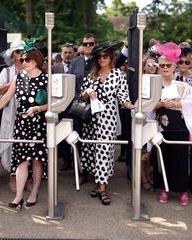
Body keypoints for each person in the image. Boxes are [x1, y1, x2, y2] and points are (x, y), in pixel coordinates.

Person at [0, 39, 48, 210]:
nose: (23, 62)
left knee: (36, 160)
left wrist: (37, 108)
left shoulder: (46, 78)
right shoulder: (18, 78)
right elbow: (5, 98)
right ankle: (18, 196)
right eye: (22, 59)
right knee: (21, 161)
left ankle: (34, 191)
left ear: (36, 60)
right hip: (21, 123)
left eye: (27, 59)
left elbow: (54, 104)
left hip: (38, 123)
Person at [80, 41, 134, 205]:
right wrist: (87, 92)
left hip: (108, 119)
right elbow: (81, 97)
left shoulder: (118, 75)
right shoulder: (91, 76)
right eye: (99, 56)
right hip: (91, 119)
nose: (102, 59)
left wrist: (132, 106)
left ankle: (103, 188)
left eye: (106, 56)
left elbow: (124, 98)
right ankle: (98, 185)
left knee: (104, 149)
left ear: (111, 57)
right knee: (93, 150)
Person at [152, 50, 192, 206]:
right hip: (160, 128)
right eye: (162, 65)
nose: (165, 68)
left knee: (181, 160)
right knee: (162, 159)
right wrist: (161, 104)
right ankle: (164, 188)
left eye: (168, 65)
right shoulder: (154, 84)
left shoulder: (182, 85)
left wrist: (176, 103)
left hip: (180, 127)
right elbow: (147, 106)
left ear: (174, 66)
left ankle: (183, 190)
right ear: (158, 67)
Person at [0, 40, 24, 192]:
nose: (21, 54)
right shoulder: (6, 72)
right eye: (18, 52)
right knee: (10, 144)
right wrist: (12, 83)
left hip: (28, 115)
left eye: (23, 51)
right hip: (10, 114)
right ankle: (13, 177)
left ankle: (27, 177)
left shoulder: (31, 69)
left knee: (26, 145)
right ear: (13, 55)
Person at [69, 33, 97, 185]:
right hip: (79, 108)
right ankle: (82, 172)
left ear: (95, 44)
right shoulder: (75, 62)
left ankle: (96, 171)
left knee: (95, 140)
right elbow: (70, 83)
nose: (88, 47)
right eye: (85, 44)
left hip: (97, 107)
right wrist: (78, 99)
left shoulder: (101, 60)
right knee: (79, 140)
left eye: (91, 44)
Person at [52, 42, 75, 171]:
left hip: (74, 106)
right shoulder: (54, 68)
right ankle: (67, 160)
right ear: (61, 54)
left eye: (70, 52)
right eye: (65, 52)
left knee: (75, 132)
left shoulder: (77, 66)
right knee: (60, 133)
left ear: (74, 54)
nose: (67, 55)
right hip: (59, 106)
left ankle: (78, 159)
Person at [142, 54, 158, 191]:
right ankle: (143, 180)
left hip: (155, 119)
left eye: (154, 64)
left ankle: (149, 177)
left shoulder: (159, 80)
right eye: (149, 64)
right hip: (144, 118)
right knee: (143, 153)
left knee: (151, 152)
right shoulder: (141, 80)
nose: (152, 66)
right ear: (144, 66)